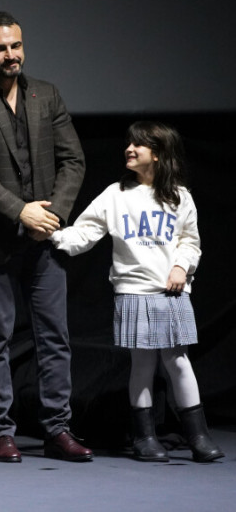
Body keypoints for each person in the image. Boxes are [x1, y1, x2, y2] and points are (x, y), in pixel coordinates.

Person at [0, 11, 90, 463]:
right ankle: (0, 432)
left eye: (15, 45)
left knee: (55, 336)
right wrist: (20, 210)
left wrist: (51, 215)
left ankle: (57, 429)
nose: (10, 55)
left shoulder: (46, 93)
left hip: (44, 237)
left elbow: (73, 160)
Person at [51, 121, 224, 463]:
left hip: (171, 292)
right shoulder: (116, 195)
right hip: (133, 290)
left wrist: (181, 267)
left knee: (178, 360)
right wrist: (53, 234)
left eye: (138, 145)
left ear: (158, 154)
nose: (129, 149)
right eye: (128, 143)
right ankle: (145, 437)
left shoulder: (180, 196)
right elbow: (85, 232)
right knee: (142, 362)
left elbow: (190, 241)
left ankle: (199, 436)